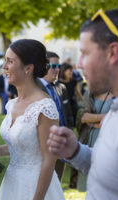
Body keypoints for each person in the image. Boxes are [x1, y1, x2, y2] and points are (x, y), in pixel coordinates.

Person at [47, 9, 118, 200]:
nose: (78, 64)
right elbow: (111, 169)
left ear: (112, 52)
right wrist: (76, 151)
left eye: (85, 53)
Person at [0, 39, 65, 200]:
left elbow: (49, 158)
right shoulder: (11, 105)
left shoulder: (44, 107)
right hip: (12, 185)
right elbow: (25, 145)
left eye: (10, 61)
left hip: (37, 187)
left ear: (28, 68)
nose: (4, 67)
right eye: (5, 61)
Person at [37, 51, 74, 182]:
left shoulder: (61, 88)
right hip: (42, 149)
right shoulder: (34, 88)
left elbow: (69, 115)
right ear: (43, 66)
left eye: (58, 66)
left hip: (62, 146)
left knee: (56, 186)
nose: (57, 70)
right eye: (53, 66)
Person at [75, 89, 113, 191]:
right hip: (90, 141)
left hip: (109, 144)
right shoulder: (89, 93)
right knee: (90, 187)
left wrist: (92, 122)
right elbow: (83, 117)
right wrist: (104, 117)